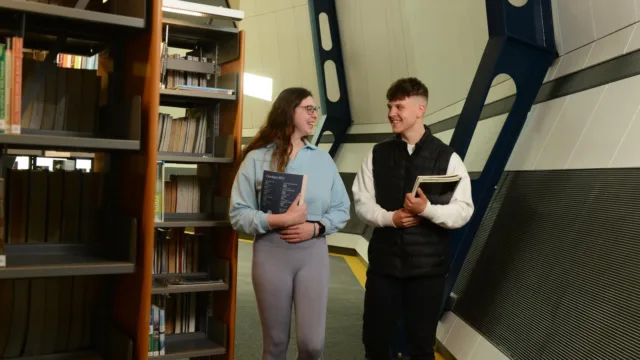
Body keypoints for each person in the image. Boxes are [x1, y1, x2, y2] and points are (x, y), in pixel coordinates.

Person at [352, 77, 474, 360]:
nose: (391, 113)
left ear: (420, 110)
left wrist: (427, 210)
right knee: (375, 343)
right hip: (384, 269)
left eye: (399, 106)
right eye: (390, 106)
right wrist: (389, 218)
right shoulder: (377, 154)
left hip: (427, 273)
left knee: (420, 348)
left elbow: (463, 210)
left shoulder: (448, 157)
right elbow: (362, 201)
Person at [229, 87, 351, 360]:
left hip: (313, 254)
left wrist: (316, 227)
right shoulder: (256, 159)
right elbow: (238, 214)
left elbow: (342, 209)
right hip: (271, 254)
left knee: (312, 345)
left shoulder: (323, 160)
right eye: (308, 109)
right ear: (289, 111)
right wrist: (277, 220)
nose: (315, 115)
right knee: (275, 344)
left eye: (316, 109)